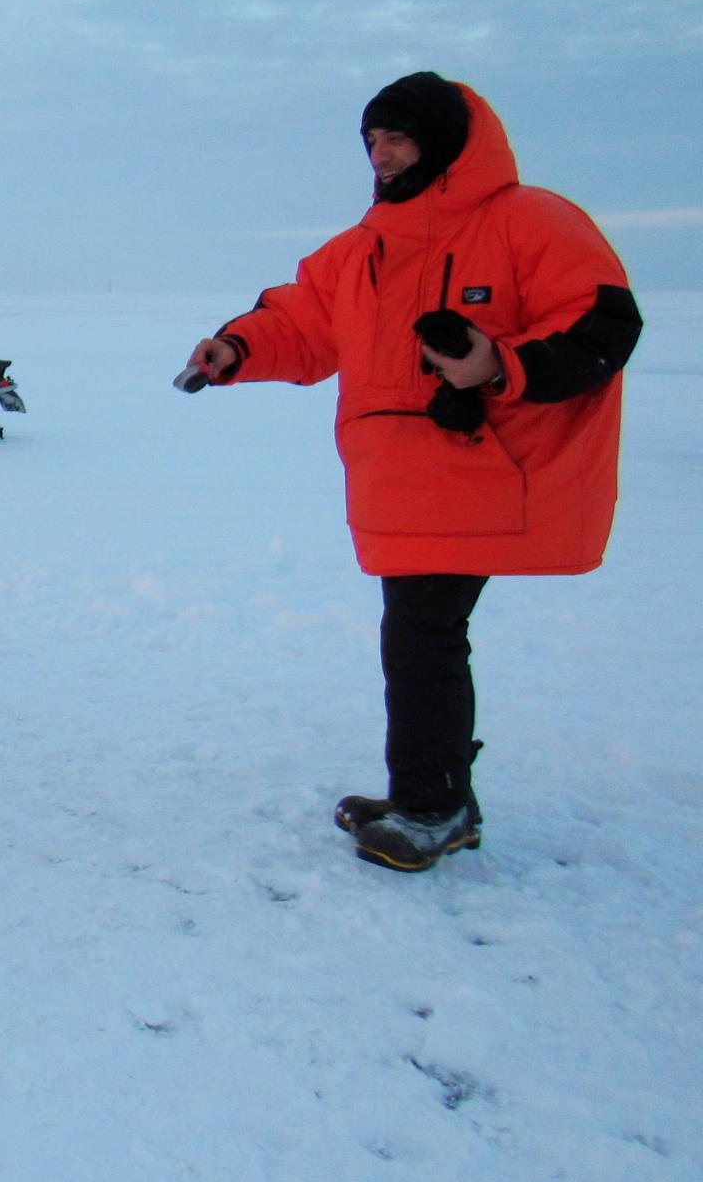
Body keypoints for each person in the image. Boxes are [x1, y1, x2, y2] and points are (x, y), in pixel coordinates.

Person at [183, 72, 642, 872]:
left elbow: (601, 323)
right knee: (423, 634)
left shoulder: (530, 221)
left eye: (397, 137)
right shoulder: (363, 248)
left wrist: (500, 365)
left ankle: (434, 807)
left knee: (423, 633)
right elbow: (302, 319)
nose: (382, 154)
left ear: (446, 142)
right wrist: (238, 349)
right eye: (372, 141)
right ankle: (434, 797)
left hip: (478, 471)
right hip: (397, 476)